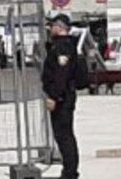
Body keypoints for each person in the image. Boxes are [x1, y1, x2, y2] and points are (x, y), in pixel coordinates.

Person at [42, 14, 85, 179]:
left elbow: (62, 74)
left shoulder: (63, 46)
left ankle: (70, 173)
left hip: (63, 98)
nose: (50, 29)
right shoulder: (61, 44)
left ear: (59, 27)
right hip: (63, 96)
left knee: (64, 136)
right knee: (63, 135)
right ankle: (69, 171)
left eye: (52, 25)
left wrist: (54, 96)